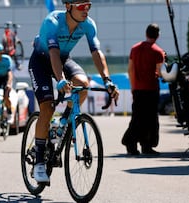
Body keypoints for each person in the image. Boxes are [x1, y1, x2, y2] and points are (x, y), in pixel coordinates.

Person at [28, 0, 119, 183]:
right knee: (47, 107)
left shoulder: (88, 24)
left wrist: (107, 81)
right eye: (81, 6)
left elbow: (96, 53)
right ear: (68, 6)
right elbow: (53, 52)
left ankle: (63, 124)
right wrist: (61, 79)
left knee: (82, 85)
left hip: (63, 58)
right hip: (41, 61)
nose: (85, 10)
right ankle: (38, 162)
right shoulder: (52, 21)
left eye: (89, 6)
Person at [121, 23, 165, 156]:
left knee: (137, 118)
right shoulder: (158, 51)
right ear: (158, 36)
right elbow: (160, 71)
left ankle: (131, 143)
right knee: (151, 119)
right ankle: (147, 145)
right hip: (151, 88)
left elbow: (130, 69)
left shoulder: (135, 49)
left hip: (138, 89)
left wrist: (133, 86)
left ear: (146, 33)